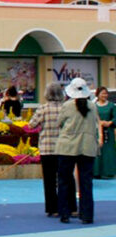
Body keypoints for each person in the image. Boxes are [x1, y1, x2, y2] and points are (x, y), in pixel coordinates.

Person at [29, 81, 76, 218]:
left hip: (47, 148)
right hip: (64, 148)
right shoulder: (66, 108)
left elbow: (31, 125)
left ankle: (52, 208)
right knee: (67, 178)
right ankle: (71, 206)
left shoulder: (43, 109)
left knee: (49, 180)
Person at [57, 76, 99, 224]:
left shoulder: (67, 105)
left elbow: (59, 122)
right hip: (87, 146)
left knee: (64, 180)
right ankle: (87, 215)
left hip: (67, 146)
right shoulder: (92, 106)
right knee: (86, 181)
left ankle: (64, 213)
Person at [95, 86, 116, 179]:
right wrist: (99, 123)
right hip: (96, 132)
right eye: (102, 93)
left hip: (108, 132)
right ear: (98, 94)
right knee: (97, 151)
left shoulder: (111, 106)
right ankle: (96, 172)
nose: (104, 95)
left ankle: (108, 172)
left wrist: (110, 122)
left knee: (108, 151)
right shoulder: (94, 106)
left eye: (106, 93)